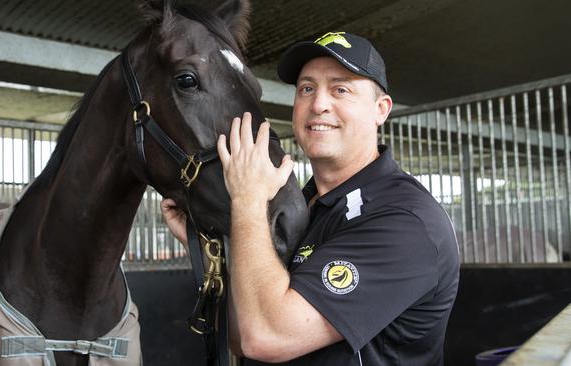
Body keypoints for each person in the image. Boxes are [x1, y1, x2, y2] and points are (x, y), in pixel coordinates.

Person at [161, 31, 460, 366]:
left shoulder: (405, 221)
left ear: (381, 110)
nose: (318, 104)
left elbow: (267, 336)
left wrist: (246, 200)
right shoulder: (301, 204)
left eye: (340, 89)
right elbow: (243, 335)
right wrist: (206, 246)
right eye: (307, 88)